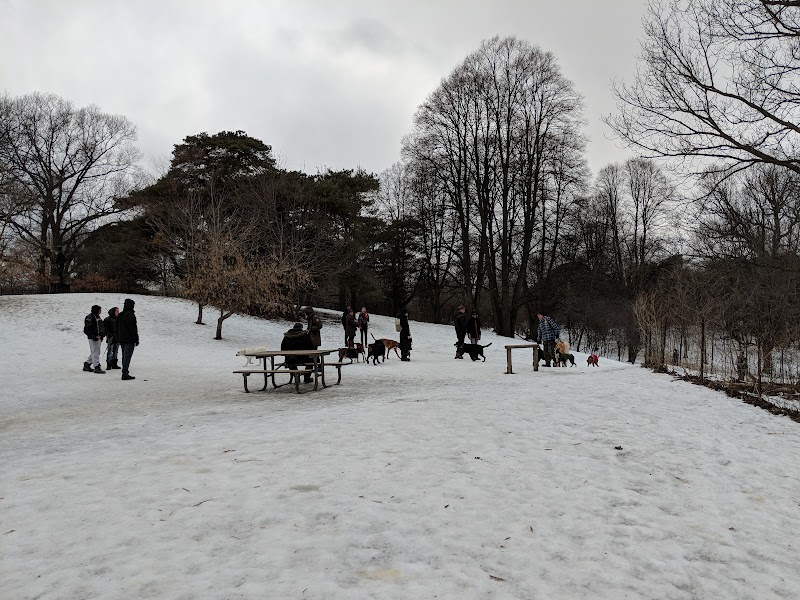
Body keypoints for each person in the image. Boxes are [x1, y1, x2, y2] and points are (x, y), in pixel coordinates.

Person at [116, 298, 139, 380]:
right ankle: (125, 373)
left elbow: (117, 327)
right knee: (127, 356)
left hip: (122, 338)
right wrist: (136, 339)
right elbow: (133, 328)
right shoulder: (131, 315)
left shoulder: (121, 315)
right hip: (129, 339)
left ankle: (125, 372)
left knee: (124, 355)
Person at [83, 304, 106, 374]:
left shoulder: (97, 317)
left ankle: (87, 363)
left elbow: (100, 327)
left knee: (95, 351)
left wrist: (101, 335)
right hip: (93, 338)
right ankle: (97, 366)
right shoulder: (90, 317)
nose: (100, 311)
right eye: (99, 310)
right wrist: (94, 336)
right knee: (96, 352)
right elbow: (87, 329)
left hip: (98, 337)